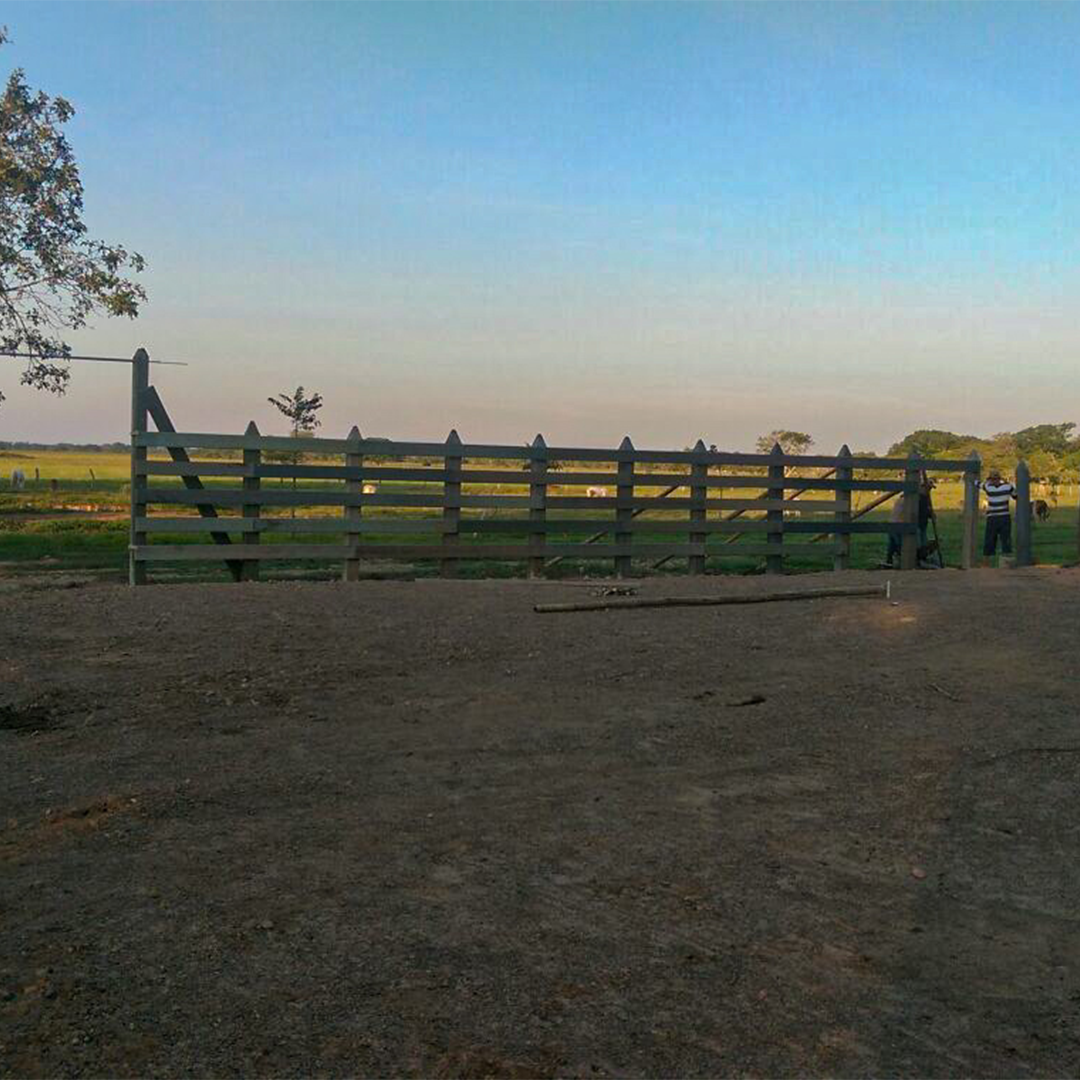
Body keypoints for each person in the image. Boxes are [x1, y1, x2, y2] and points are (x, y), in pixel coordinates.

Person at [980, 469, 1016, 564]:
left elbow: (978, 484)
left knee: (989, 539)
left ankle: (986, 562)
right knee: (1006, 538)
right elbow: (1015, 496)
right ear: (999, 479)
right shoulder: (1007, 487)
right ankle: (1006, 561)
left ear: (990, 479)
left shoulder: (988, 488)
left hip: (992, 517)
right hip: (1004, 516)